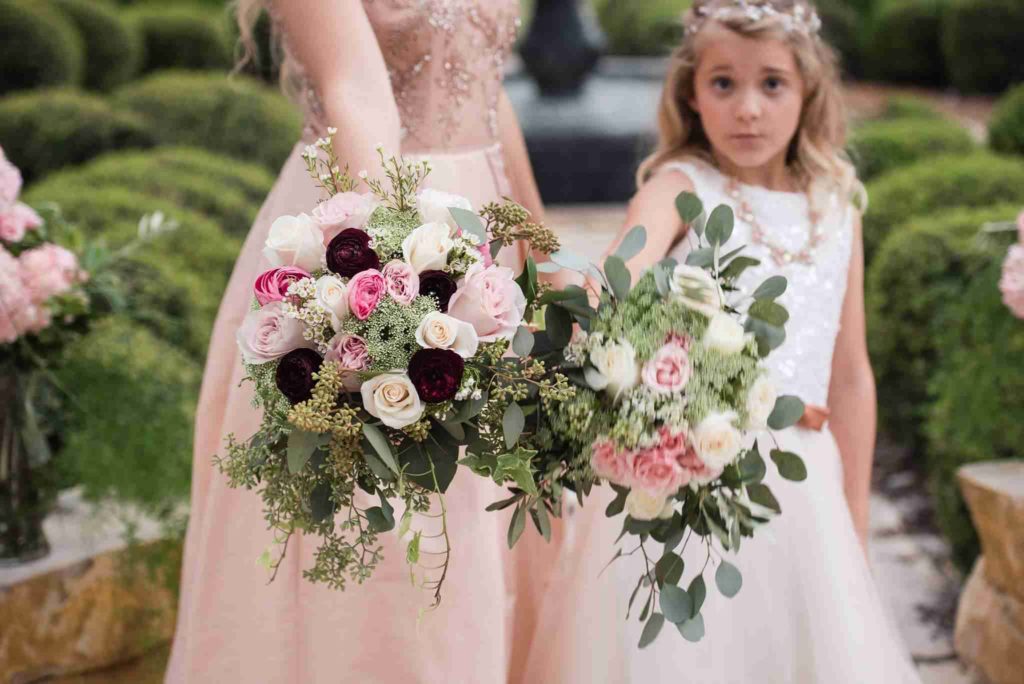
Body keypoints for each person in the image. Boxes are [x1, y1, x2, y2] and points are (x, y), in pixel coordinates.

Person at [516, 1, 922, 681]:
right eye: (723, 84)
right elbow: (619, 272)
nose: (748, 109)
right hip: (693, 484)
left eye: (772, 83)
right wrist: (561, 317)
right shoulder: (680, 188)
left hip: (805, 493)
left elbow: (850, 374)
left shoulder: (837, 205)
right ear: (691, 93)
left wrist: (854, 518)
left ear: (809, 90)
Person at [165, 2, 561, 681]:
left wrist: (543, 256)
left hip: (485, 238)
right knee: (395, 532)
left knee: (490, 515)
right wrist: (394, 291)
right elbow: (355, 88)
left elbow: (486, 88)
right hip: (371, 221)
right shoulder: (384, 252)